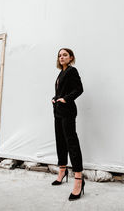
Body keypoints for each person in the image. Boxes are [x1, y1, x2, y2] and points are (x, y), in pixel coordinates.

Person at [51, 48, 85, 201]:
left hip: (68, 111)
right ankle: (62, 171)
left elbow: (79, 89)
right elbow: (62, 91)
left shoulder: (72, 71)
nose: (61, 57)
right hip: (58, 111)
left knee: (71, 142)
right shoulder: (60, 73)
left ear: (71, 58)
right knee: (60, 141)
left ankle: (78, 179)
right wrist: (55, 98)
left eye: (65, 55)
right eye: (59, 55)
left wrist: (66, 99)